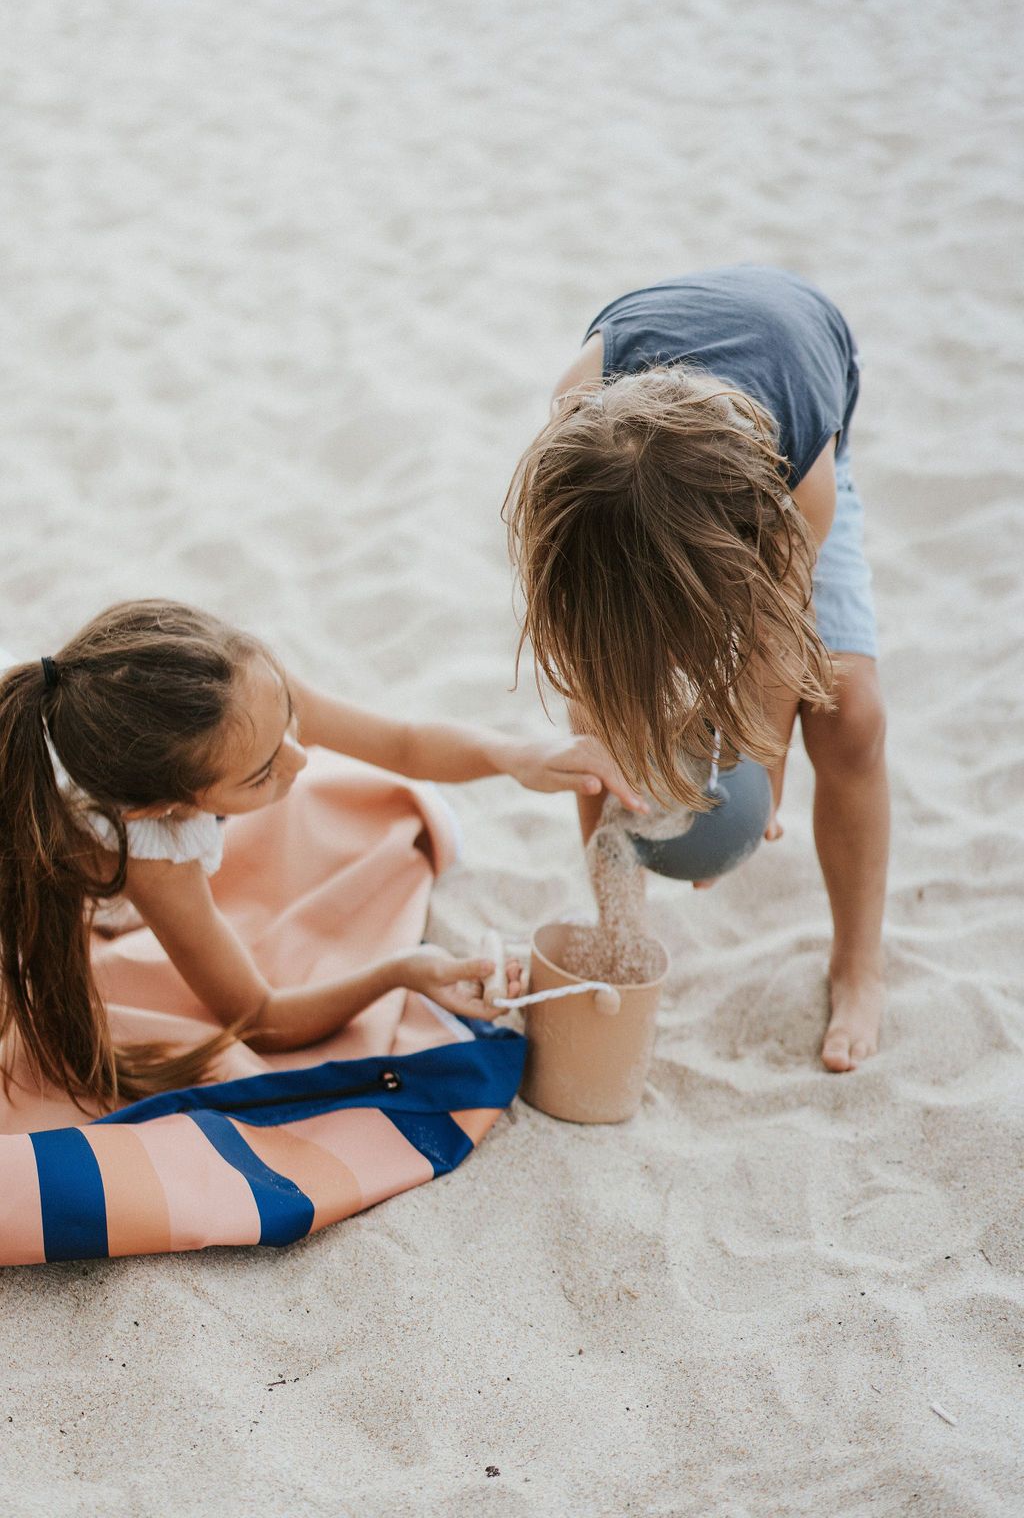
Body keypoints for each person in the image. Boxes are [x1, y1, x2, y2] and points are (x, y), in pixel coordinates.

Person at [0, 599, 645, 1112]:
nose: (299, 758)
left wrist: (515, 755)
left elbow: (404, 743)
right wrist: (397, 973)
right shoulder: (151, 859)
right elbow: (260, 1017)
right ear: (161, 811)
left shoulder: (237, 693)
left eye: (288, 720)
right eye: (261, 774)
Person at [505, 265, 888, 1073]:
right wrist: (620, 705)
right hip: (630, 484)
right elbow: (582, 647)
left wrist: (748, 798)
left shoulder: (795, 493)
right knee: (603, 712)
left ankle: (859, 964)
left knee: (849, 712)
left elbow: (774, 648)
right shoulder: (575, 427)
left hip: (791, 449)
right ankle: (619, 924)